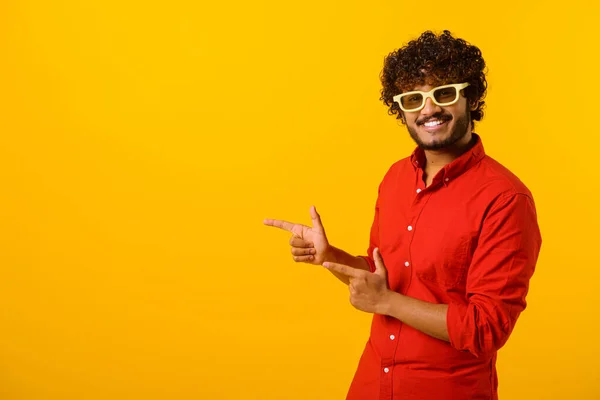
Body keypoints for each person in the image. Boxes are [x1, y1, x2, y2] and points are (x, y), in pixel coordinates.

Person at [263, 30, 542, 400]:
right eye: (413, 99)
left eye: (443, 93)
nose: (428, 109)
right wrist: (330, 257)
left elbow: (486, 328)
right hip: (371, 385)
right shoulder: (395, 177)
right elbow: (383, 278)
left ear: (469, 97)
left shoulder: (505, 199)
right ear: (401, 109)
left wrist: (386, 304)